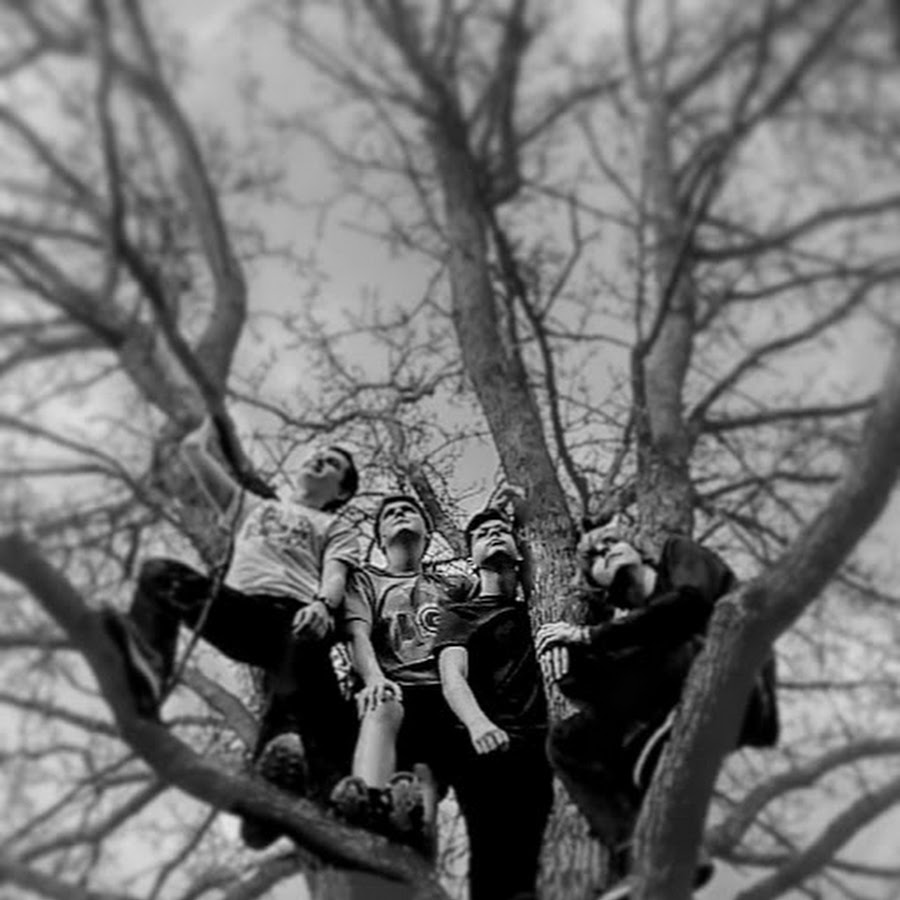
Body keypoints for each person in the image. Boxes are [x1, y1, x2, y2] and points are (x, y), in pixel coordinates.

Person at [99, 417, 360, 846]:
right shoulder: (255, 508)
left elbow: (335, 574)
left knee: (296, 720)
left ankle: (271, 807)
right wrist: (202, 425)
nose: (319, 461)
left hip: (298, 620)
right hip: (244, 614)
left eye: (332, 463)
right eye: (316, 455)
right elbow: (196, 457)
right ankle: (147, 667)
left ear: (342, 491)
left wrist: (322, 605)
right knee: (158, 573)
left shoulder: (334, 527)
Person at [536, 517, 779, 899]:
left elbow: (689, 603)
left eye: (611, 542)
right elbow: (613, 682)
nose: (605, 551)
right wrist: (567, 664)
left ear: (638, 550)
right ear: (600, 586)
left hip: (738, 682)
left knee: (655, 645)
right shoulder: (634, 635)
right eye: (595, 557)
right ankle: (640, 852)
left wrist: (587, 635)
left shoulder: (678, 553)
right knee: (569, 740)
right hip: (672, 698)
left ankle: (662, 743)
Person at [330, 494, 462, 854]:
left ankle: (418, 841)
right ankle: (368, 809)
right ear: (380, 538)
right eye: (390, 514)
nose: (400, 514)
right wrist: (374, 679)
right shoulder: (366, 581)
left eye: (409, 510)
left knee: (424, 777)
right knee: (383, 705)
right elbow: (357, 633)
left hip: (442, 693)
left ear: (428, 532)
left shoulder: (454, 586)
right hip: (393, 686)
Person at [434, 503, 553, 900]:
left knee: (539, 862)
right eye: (482, 534)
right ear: (471, 557)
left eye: (501, 531)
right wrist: (478, 723)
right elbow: (453, 676)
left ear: (520, 549)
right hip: (488, 747)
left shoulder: (540, 608)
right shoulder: (461, 614)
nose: (493, 535)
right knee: (495, 862)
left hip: (542, 746)